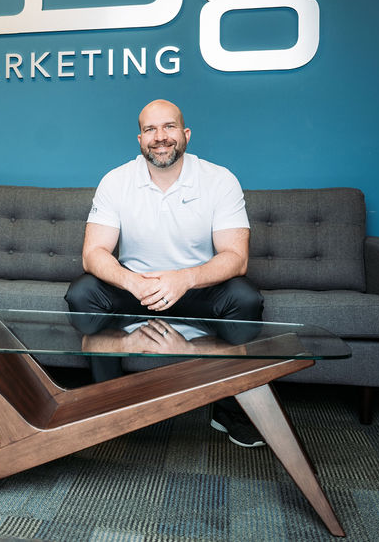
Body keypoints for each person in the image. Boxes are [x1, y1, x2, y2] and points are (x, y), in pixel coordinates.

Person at [65, 99, 266, 448]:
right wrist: (132, 282)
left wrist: (184, 279)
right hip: (135, 289)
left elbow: (236, 258)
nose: (160, 137)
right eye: (150, 129)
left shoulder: (220, 180)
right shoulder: (116, 180)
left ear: (185, 133)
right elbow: (93, 253)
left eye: (169, 127)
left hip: (196, 290)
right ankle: (109, 401)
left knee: (246, 299)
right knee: (83, 294)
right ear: (140, 139)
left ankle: (229, 409)